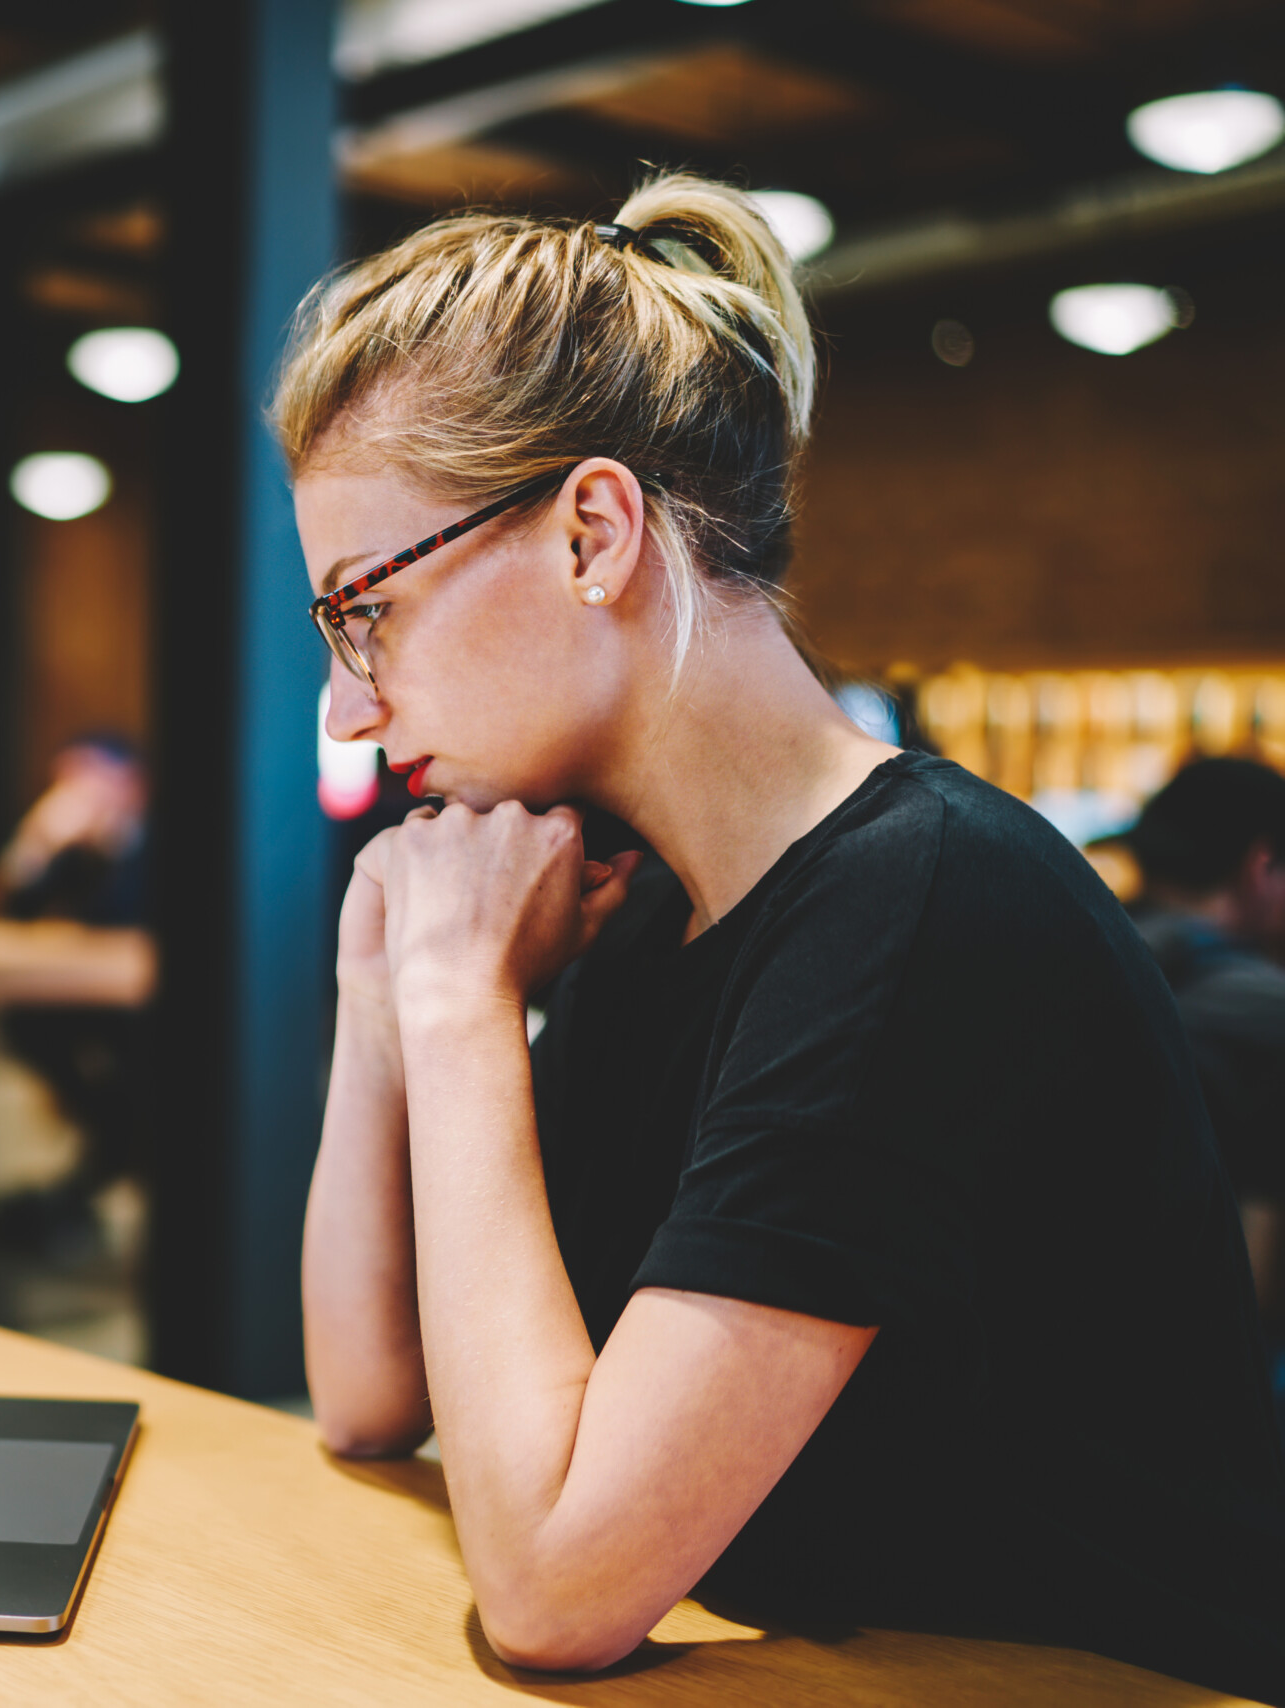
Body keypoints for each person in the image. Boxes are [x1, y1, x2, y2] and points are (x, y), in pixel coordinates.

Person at [287, 174, 1284, 1696]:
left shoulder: (919, 910)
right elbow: (368, 1394)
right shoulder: (645, 904)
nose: (349, 706)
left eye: (364, 607)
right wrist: (387, 988)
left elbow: (557, 1587)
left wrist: (455, 1002)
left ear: (591, 534)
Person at [1124, 758, 1285, 1392]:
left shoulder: (1067, 952)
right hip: (1216, 1371)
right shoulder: (1265, 1009)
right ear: (1261, 865)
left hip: (1061, 1356)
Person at [0, 734, 149, 1258]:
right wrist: (37, 845)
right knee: (18, 1016)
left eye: (87, 777)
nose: (74, 793)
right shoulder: (78, 851)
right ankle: (112, 1150)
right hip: (96, 1003)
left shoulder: (147, 842)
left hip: (147, 1009)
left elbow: (122, 921)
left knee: (134, 1073)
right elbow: (14, 916)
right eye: (65, 781)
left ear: (129, 783)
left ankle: (112, 1154)